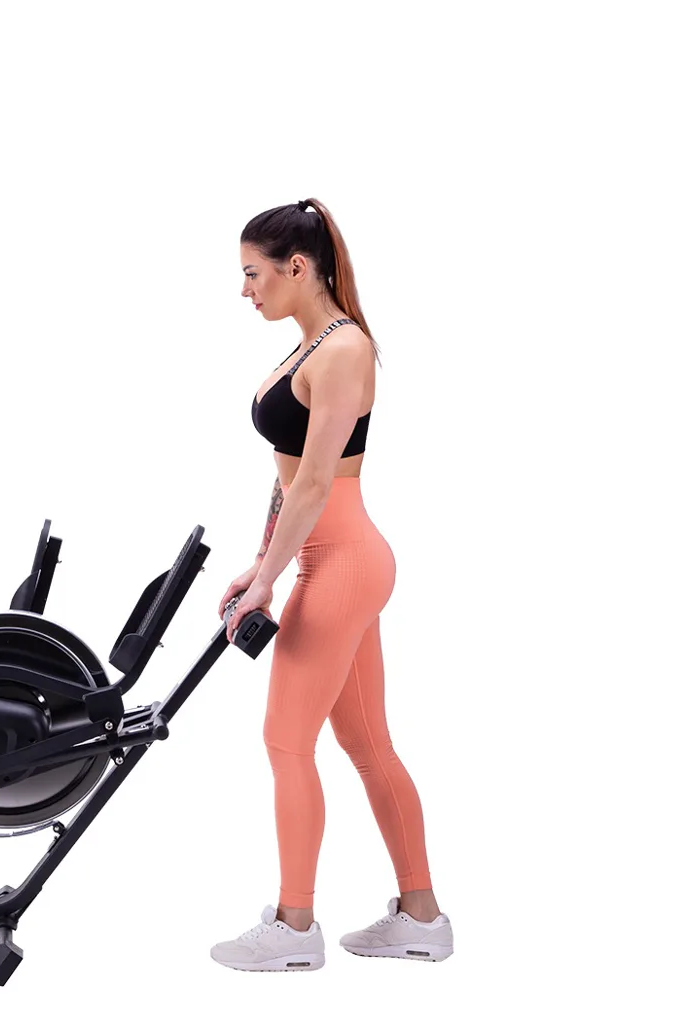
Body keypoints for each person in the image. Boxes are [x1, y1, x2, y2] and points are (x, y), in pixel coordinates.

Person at [210, 198, 454, 972]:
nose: (244, 289)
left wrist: (269, 581)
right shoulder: (308, 345)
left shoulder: (345, 348)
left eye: (253, 273)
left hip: (343, 561)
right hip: (329, 559)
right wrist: (261, 562)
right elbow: (287, 477)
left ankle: (294, 929)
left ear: (296, 266)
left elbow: (317, 483)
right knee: (367, 744)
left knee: (286, 741)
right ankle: (422, 919)